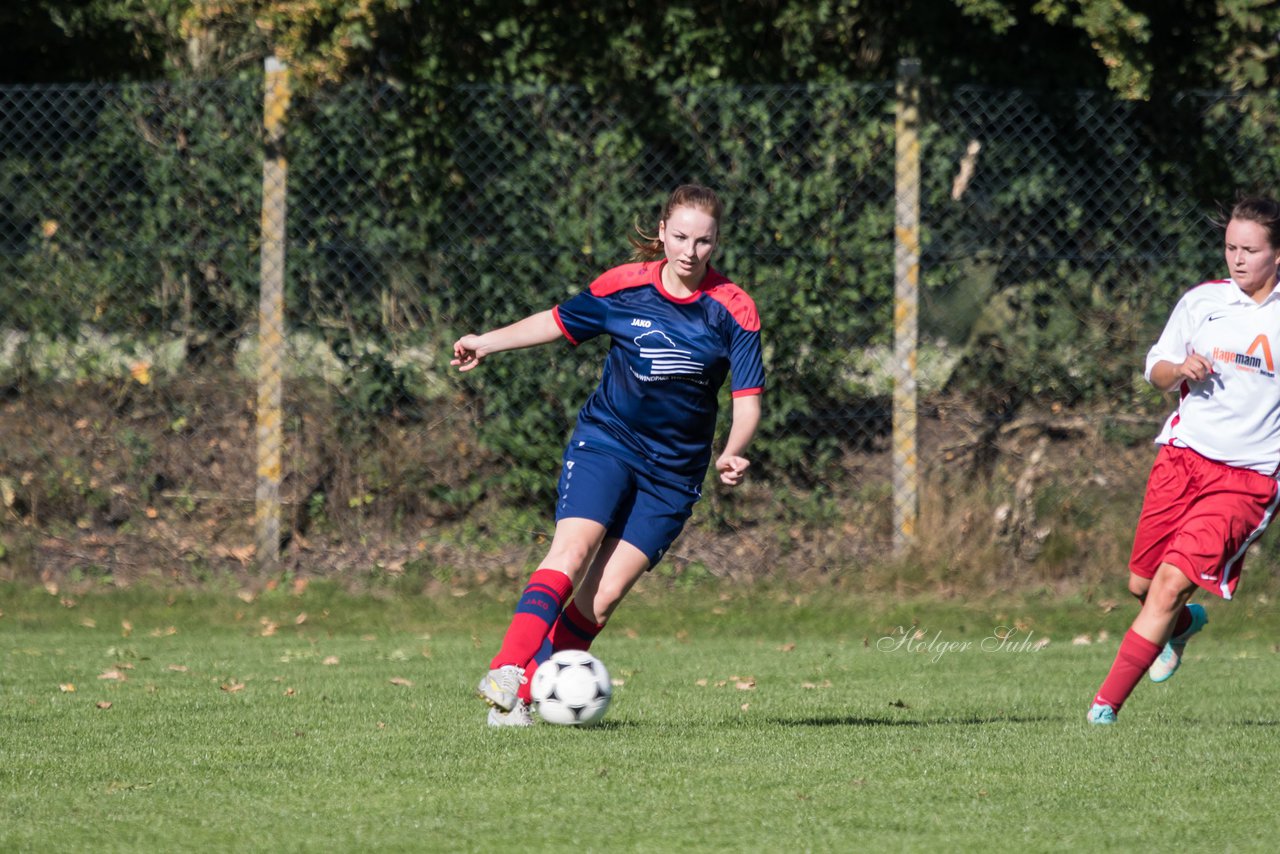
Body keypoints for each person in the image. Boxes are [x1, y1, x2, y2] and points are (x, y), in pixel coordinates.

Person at [450, 184, 765, 727]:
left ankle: (527, 692)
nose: (690, 251)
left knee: (601, 598)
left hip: (674, 472)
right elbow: (557, 320)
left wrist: (733, 453)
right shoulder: (623, 287)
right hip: (608, 440)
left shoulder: (732, 308)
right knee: (571, 551)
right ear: (663, 232)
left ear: (717, 243)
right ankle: (506, 677)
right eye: (681, 237)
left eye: (704, 241)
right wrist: (486, 341)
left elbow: (748, 400)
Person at [1088, 196, 1280, 725]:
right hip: (1182, 458)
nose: (1237, 259)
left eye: (1251, 250)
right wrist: (1178, 370)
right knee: (1143, 586)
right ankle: (1180, 627)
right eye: (1230, 248)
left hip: (1247, 479)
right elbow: (1155, 368)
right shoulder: (1202, 302)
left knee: (1170, 583)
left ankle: (1103, 709)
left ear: (1278, 255)